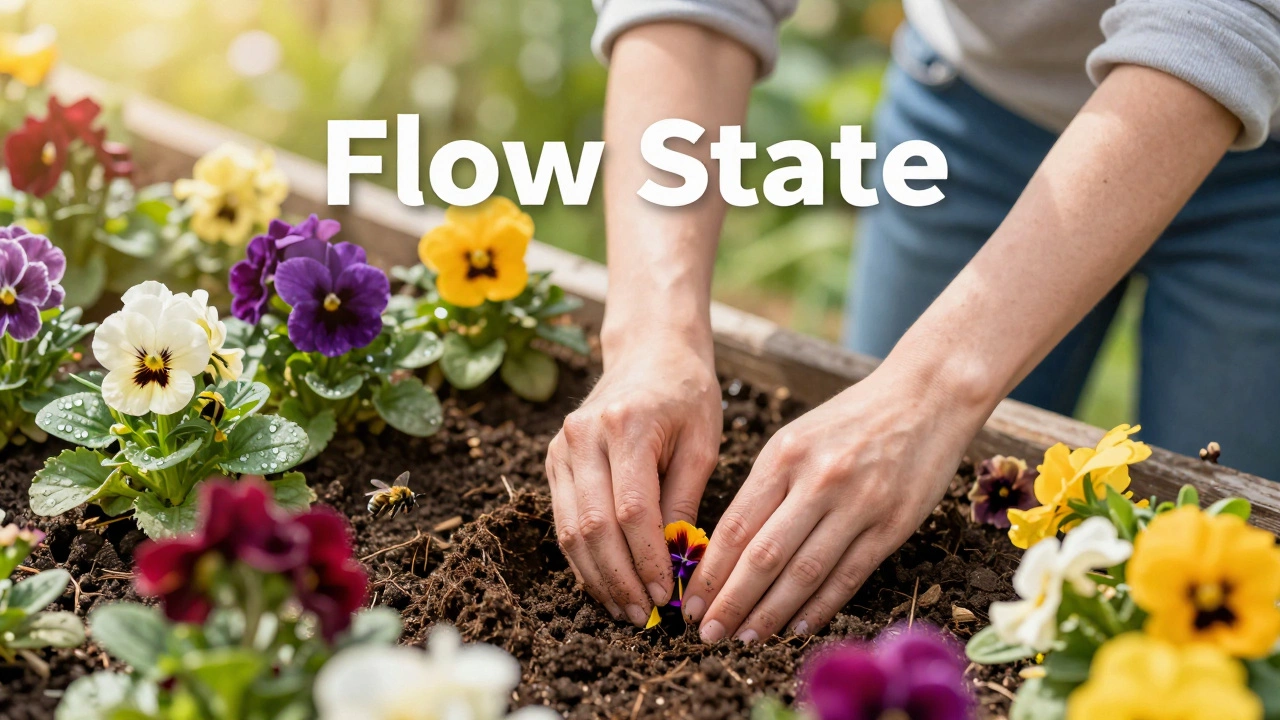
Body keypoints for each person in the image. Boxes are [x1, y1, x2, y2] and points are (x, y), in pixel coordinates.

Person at [544, 0, 1280, 643]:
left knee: (1217, 572)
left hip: (1264, 166)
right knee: (855, 499)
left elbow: (1221, 19)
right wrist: (650, 334)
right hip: (981, 105)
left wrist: (927, 391)